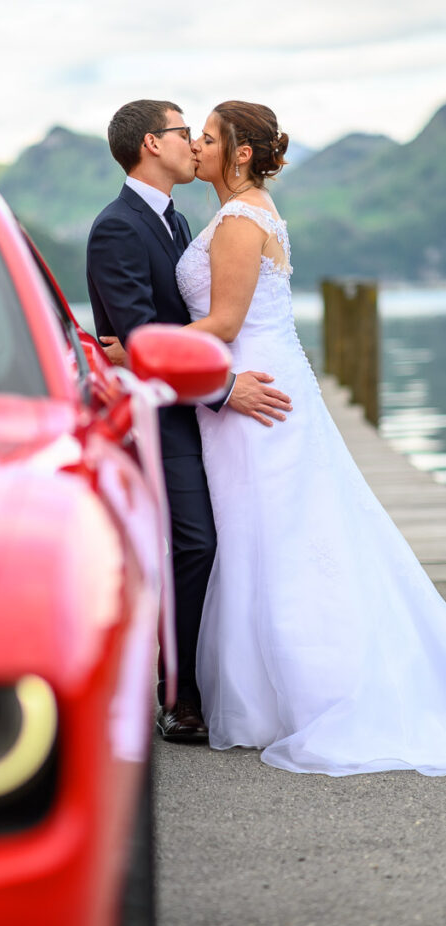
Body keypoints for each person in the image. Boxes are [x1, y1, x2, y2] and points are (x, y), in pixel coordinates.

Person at [180, 99, 446, 775]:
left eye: (208, 138)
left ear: (240, 153)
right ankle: (270, 691)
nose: (196, 146)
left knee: (275, 534)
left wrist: (136, 352)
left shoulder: (241, 219)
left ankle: (303, 693)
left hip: (254, 391)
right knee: (272, 531)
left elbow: (223, 321)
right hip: (257, 384)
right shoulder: (243, 210)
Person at [86, 99, 293, 741]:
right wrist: (225, 386)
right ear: (153, 143)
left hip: (204, 408)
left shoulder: (178, 220)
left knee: (225, 540)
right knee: (194, 542)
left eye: (202, 136)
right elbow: (144, 338)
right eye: (185, 133)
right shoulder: (118, 226)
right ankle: (176, 694)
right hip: (165, 415)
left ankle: (226, 679)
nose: (194, 144)